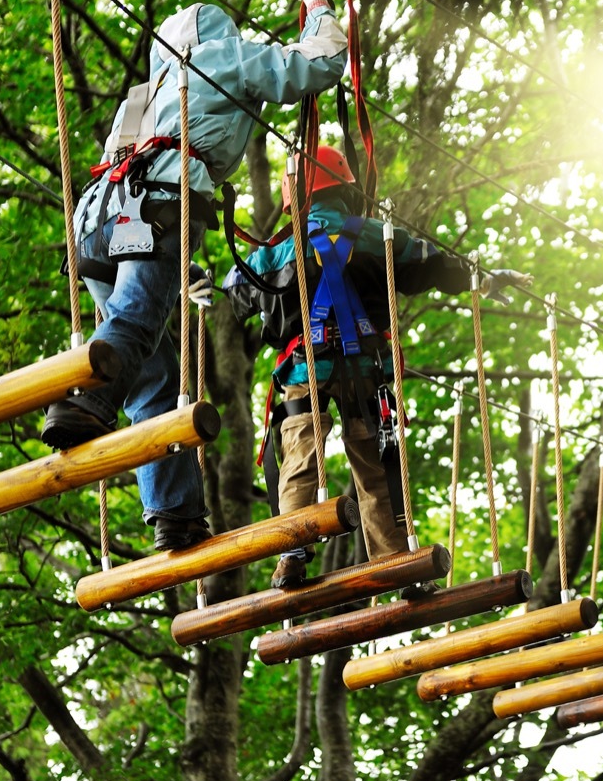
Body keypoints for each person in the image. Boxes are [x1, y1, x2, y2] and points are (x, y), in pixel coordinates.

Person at [41, 0, 347, 553]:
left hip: (95, 226)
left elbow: (133, 185)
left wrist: (181, 269)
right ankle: (85, 398)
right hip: (156, 207)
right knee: (136, 321)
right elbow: (322, 61)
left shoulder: (143, 97)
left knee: (152, 373)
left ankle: (174, 513)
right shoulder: (221, 60)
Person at [222, 145, 532, 589]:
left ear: (295, 199)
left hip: (302, 370)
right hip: (367, 370)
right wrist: (482, 277)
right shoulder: (379, 236)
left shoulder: (275, 254)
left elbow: (235, 289)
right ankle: (396, 562)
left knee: (299, 455)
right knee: (376, 468)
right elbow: (435, 264)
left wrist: (196, 284)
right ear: (348, 191)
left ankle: (291, 552)